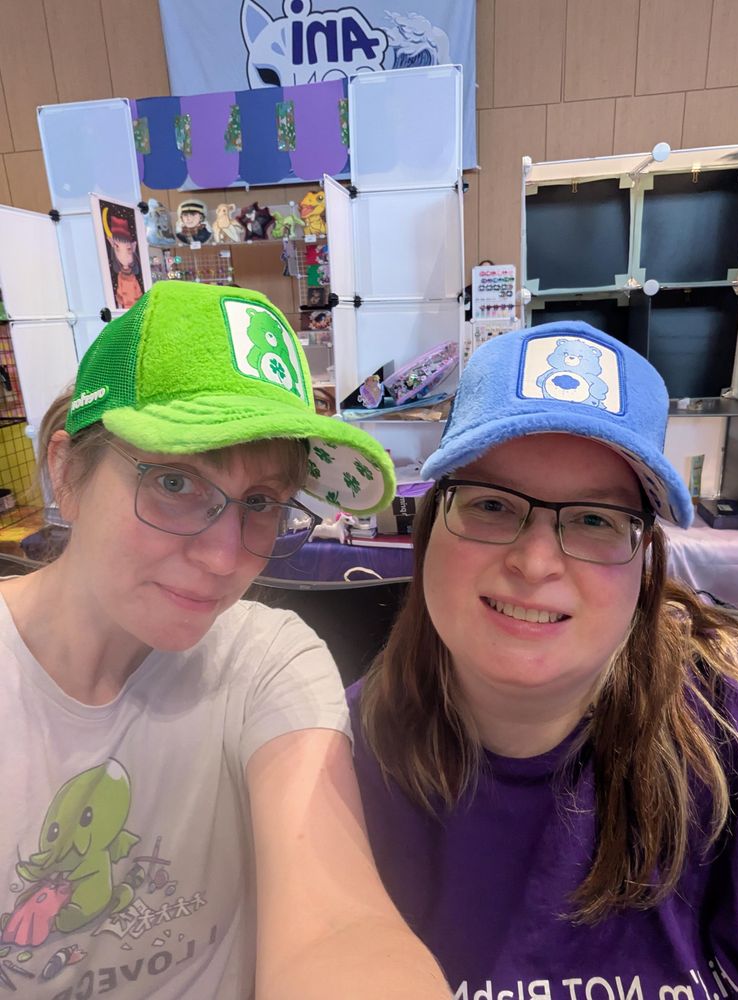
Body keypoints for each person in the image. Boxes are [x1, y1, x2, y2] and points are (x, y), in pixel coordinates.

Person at [0, 281, 452, 999]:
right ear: (66, 471)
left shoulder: (267, 661)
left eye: (263, 503)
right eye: (175, 481)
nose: (224, 556)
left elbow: (339, 924)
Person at [348, 320, 738, 997]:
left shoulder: (729, 739)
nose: (535, 564)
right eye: (492, 505)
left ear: (645, 561)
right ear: (428, 525)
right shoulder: (330, 761)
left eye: (594, 519)